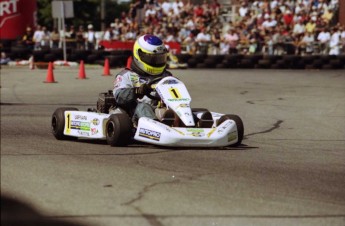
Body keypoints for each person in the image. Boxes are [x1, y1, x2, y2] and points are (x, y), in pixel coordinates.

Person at [112, 34, 173, 125]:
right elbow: (119, 96)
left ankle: (192, 123)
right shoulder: (126, 75)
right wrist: (137, 91)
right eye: (153, 59)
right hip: (134, 114)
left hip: (160, 109)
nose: (156, 62)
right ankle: (154, 127)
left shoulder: (166, 76)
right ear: (139, 55)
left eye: (159, 58)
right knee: (143, 106)